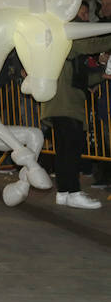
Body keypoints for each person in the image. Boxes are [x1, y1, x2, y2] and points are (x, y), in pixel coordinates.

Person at [39, 25, 111, 209]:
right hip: (66, 105)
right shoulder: (66, 39)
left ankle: (63, 193)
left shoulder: (61, 49)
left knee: (64, 151)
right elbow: (92, 44)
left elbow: (80, 80)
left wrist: (103, 74)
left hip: (59, 104)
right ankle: (73, 192)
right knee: (71, 151)